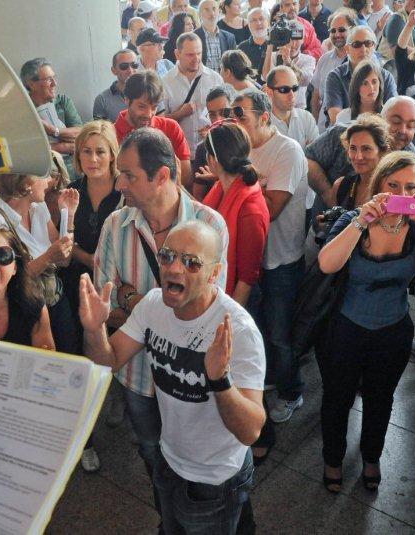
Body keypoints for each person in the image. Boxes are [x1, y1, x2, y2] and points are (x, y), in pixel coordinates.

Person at [81, 219, 265, 535]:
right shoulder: (154, 305)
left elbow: (250, 431)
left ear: (214, 272)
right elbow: (107, 361)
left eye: (191, 262)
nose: (174, 268)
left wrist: (220, 380)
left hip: (215, 479)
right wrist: (95, 330)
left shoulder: (238, 331)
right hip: (169, 460)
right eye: (168, 256)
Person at [94, 127, 228, 525]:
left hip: (190, 378)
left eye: (129, 175)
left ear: (163, 176)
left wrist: (132, 299)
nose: (119, 183)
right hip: (137, 378)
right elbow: (104, 309)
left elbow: (207, 312)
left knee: (196, 464)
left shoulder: (210, 225)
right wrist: (140, 304)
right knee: (151, 451)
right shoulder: (114, 226)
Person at [318, 151, 415, 493]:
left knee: (381, 398)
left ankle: (372, 455)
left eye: (410, 187)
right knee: (337, 398)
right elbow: (328, 264)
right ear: (379, 185)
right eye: (394, 185)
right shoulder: (356, 218)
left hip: (393, 330)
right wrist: (360, 222)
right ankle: (332, 458)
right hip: (346, 328)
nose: (403, 193)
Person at [233, 90, 309, 423]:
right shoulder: (242, 150)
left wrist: (238, 188)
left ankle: (292, 391)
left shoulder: (286, 151)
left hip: (281, 260)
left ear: (264, 117)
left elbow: (271, 209)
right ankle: (267, 380)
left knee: (280, 334)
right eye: (232, 114)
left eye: (241, 115)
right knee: (258, 329)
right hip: (251, 260)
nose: (236, 122)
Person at [0, 173, 79, 353]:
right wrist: (48, 257)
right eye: (44, 176)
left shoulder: (39, 208)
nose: (50, 181)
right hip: (25, 312)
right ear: (26, 184)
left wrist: (68, 215)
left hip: (55, 302)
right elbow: (6, 278)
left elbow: (64, 260)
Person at [64, 121, 123, 345]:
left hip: (117, 285)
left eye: (100, 151)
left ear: (112, 155)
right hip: (76, 282)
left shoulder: (126, 191)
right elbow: (63, 243)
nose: (93, 159)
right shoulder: (72, 190)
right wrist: (88, 260)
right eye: (86, 152)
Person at [307, 96, 415, 207]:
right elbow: (308, 159)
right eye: (396, 122)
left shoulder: (412, 162)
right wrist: (328, 194)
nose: (402, 130)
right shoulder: (343, 134)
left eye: (410, 126)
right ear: (381, 118)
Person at [201, 121, 270, 303]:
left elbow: (247, 279)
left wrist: (225, 317)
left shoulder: (249, 209)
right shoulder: (221, 188)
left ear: (212, 160)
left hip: (237, 299)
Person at [114, 71, 193, 186]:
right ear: (126, 100)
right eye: (142, 106)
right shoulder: (110, 134)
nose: (148, 114)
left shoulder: (171, 128)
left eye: (154, 107)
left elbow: (186, 178)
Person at [324, 26, 398, 125]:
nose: (363, 49)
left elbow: (393, 115)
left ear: (374, 46)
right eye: (357, 45)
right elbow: (336, 119)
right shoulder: (335, 77)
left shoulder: (386, 76)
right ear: (347, 49)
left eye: (368, 43)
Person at [164, 33, 225, 152]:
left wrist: (214, 127)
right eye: (190, 55)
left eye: (199, 53)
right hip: (179, 154)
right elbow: (159, 121)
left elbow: (227, 114)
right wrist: (179, 114)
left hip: (210, 151)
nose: (196, 58)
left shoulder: (215, 79)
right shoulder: (165, 82)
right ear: (177, 54)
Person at [21, 58, 83, 174]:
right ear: (31, 84)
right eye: (49, 79)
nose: (55, 84)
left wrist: (53, 130)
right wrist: (65, 147)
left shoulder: (63, 101)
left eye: (54, 78)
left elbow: (81, 135)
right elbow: (26, 152)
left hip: (74, 168)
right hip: (44, 173)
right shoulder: (23, 112)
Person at [330, 114, 393, 209]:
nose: (358, 157)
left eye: (366, 149)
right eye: (353, 148)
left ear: (382, 151)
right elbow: (334, 223)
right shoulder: (341, 185)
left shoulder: (392, 190)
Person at [311, 9, 357, 130]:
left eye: (341, 30)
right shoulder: (323, 60)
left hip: (351, 131)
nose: (337, 34)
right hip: (323, 131)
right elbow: (316, 98)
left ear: (352, 30)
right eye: (333, 31)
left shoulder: (361, 61)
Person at [191, 85, 236, 199]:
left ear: (235, 109)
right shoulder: (204, 148)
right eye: (212, 115)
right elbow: (198, 198)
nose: (218, 120)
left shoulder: (248, 143)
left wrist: (220, 177)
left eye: (224, 112)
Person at [261, 27, 315, 108]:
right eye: (289, 39)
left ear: (303, 39)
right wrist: (270, 44)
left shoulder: (308, 59)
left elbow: (305, 80)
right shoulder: (273, 56)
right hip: (275, 107)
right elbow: (266, 77)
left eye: (297, 39)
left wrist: (289, 62)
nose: (293, 44)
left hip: (298, 107)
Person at [265, 66, 318, 147]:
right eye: (284, 90)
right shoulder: (262, 125)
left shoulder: (306, 117)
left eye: (295, 88)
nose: (292, 95)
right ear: (270, 92)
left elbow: (317, 155)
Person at [93, 49, 140, 122]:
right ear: (114, 70)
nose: (130, 70)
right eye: (124, 66)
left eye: (134, 65)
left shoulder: (150, 92)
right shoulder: (102, 100)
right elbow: (100, 132)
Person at [334, 60, 384, 124]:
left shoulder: (388, 115)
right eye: (365, 83)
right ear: (356, 87)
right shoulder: (344, 117)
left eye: (374, 82)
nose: (371, 87)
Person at [195, 0, 238, 72]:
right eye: (207, 10)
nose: (212, 13)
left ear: (219, 12)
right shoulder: (192, 37)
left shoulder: (230, 38)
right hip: (201, 82)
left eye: (214, 9)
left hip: (224, 82)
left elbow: (234, 65)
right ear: (199, 14)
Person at [238, 8, 270, 84]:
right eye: (254, 20)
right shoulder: (241, 48)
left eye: (261, 19)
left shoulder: (276, 45)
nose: (258, 23)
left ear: (268, 22)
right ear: (248, 25)